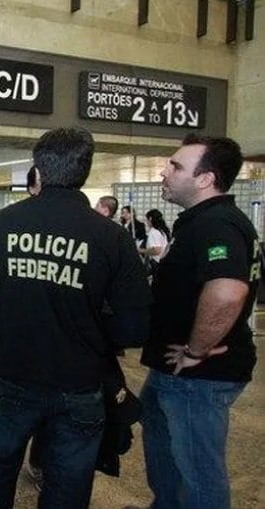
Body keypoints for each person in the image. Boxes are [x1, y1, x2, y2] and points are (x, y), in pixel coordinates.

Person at [0, 126, 151, 509]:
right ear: (85, 171)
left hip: (14, 374)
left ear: (38, 170)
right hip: (81, 382)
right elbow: (133, 326)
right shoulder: (111, 237)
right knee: (68, 483)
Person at [140, 134, 261, 509]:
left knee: (199, 472)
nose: (164, 172)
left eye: (176, 166)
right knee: (165, 445)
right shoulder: (200, 222)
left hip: (199, 376)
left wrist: (197, 349)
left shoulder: (216, 223)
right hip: (175, 371)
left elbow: (227, 291)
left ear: (206, 179)